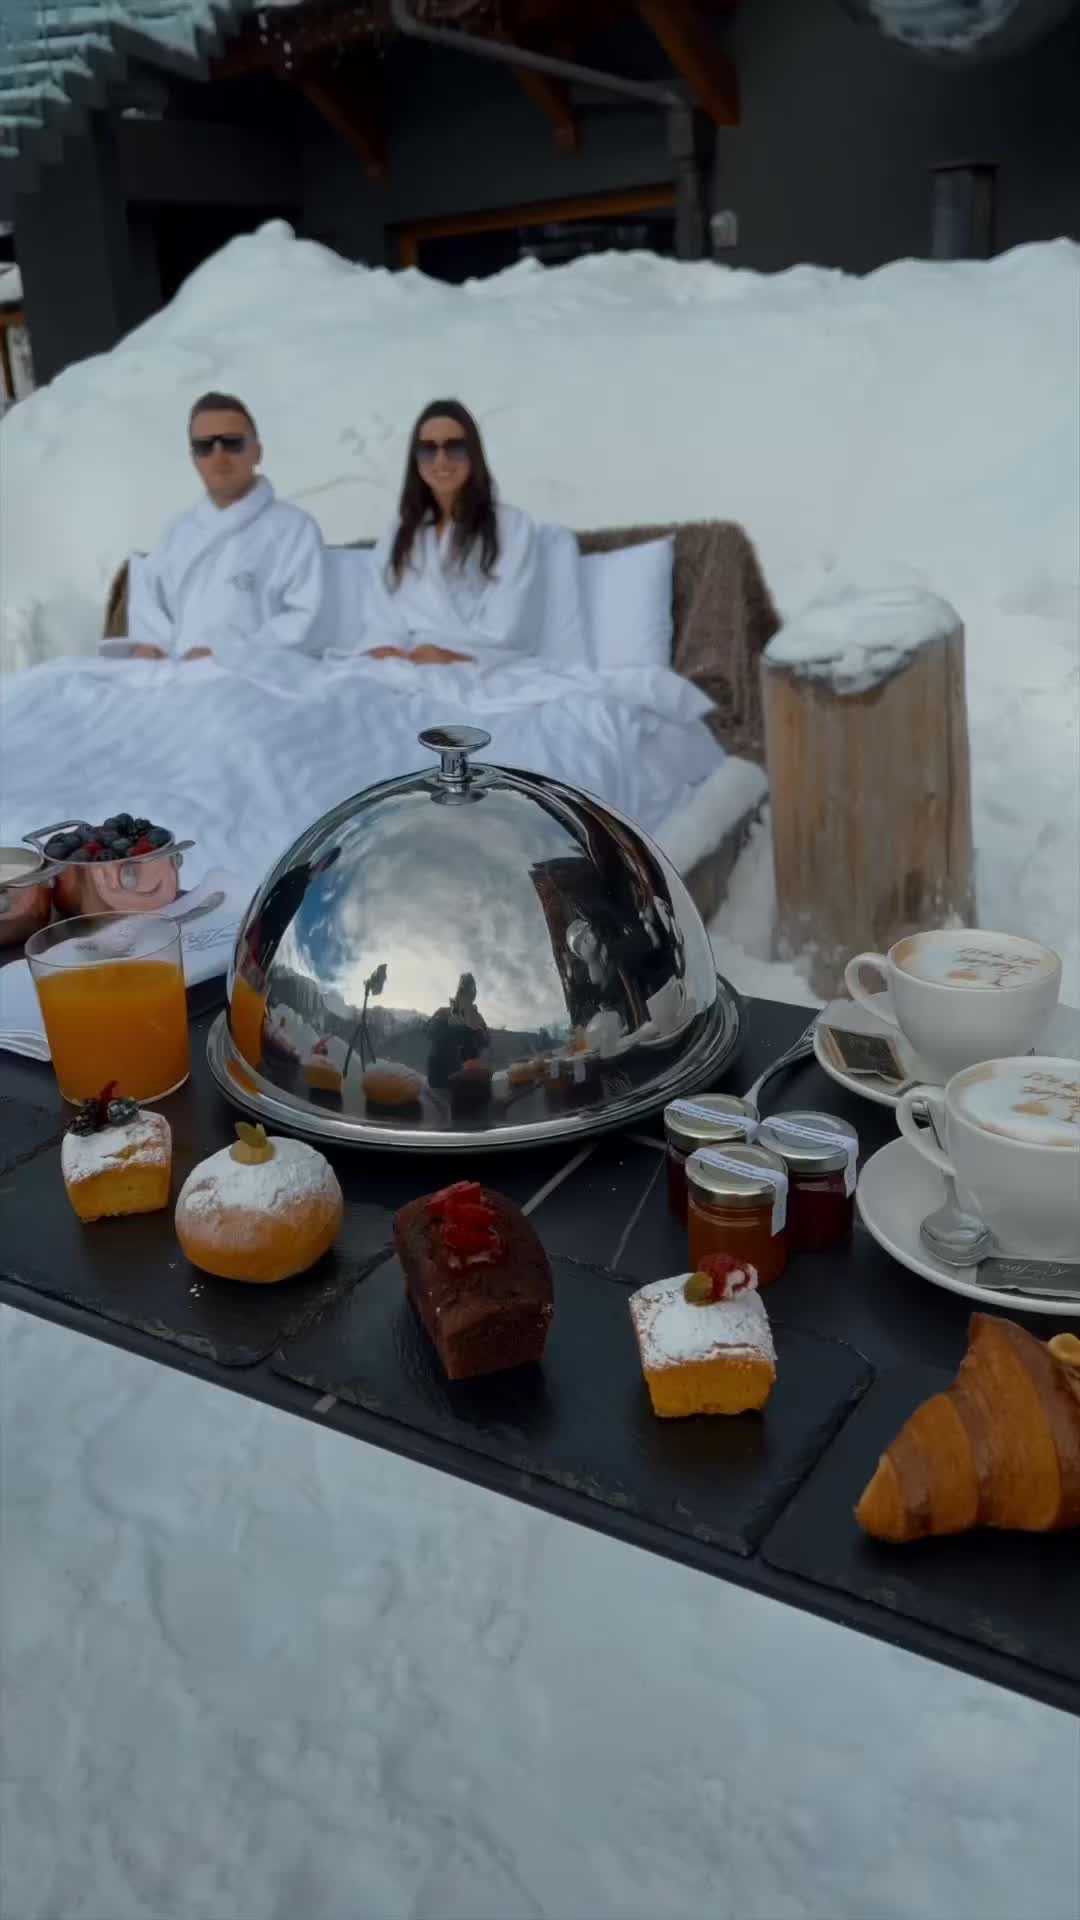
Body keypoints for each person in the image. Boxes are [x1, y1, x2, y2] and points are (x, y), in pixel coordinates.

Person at [115, 392, 325, 667]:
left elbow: (303, 617)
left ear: (257, 452)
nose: (219, 455)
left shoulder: (295, 528)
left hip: (258, 675)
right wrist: (151, 646)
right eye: (205, 446)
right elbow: (151, 611)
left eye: (232, 443)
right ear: (194, 458)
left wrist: (228, 653)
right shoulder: (177, 531)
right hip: (175, 673)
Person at [363, 399, 538, 665]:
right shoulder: (401, 529)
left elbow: (507, 621)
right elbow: (377, 600)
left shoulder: (513, 526)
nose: (441, 460)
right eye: (428, 450)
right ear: (416, 460)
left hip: (476, 662)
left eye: (454, 448)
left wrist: (451, 655)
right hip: (404, 660)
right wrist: (387, 646)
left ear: (473, 454)